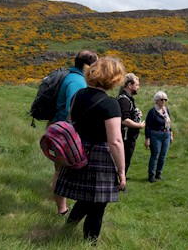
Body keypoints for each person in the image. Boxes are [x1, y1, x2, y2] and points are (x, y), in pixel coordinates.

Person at [54, 56, 126, 242]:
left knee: (86, 198)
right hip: (99, 155)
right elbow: (116, 141)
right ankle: (90, 243)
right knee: (98, 204)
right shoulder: (111, 104)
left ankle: (67, 229)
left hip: (78, 151)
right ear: (113, 78)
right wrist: (122, 171)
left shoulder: (79, 95)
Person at [50, 50, 98, 215]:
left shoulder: (71, 76)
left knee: (60, 169)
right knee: (61, 171)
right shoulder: (77, 81)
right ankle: (62, 210)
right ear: (86, 66)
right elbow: (73, 109)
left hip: (58, 128)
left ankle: (63, 206)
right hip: (65, 132)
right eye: (94, 66)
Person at [116, 73, 145, 176]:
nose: (138, 87)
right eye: (136, 85)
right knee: (123, 161)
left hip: (127, 137)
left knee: (124, 161)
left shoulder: (126, 99)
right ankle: (120, 183)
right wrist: (140, 125)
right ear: (129, 85)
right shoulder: (124, 100)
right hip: (125, 138)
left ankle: (120, 180)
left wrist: (135, 114)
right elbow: (124, 120)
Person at [144, 91, 173, 183]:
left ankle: (159, 174)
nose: (163, 101)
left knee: (163, 155)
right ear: (156, 100)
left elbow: (169, 123)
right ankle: (151, 176)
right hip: (155, 135)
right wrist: (147, 139)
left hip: (166, 134)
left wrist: (171, 134)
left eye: (165, 99)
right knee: (155, 155)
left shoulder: (166, 110)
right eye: (161, 99)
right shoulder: (152, 112)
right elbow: (147, 126)